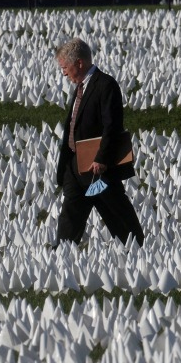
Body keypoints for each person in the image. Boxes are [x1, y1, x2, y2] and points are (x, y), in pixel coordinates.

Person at [53, 38, 145, 247]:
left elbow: (111, 125)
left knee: (115, 210)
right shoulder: (81, 88)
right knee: (70, 215)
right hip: (75, 167)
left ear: (79, 63)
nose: (64, 73)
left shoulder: (105, 85)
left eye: (65, 68)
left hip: (97, 167)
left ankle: (139, 249)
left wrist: (101, 159)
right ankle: (61, 256)